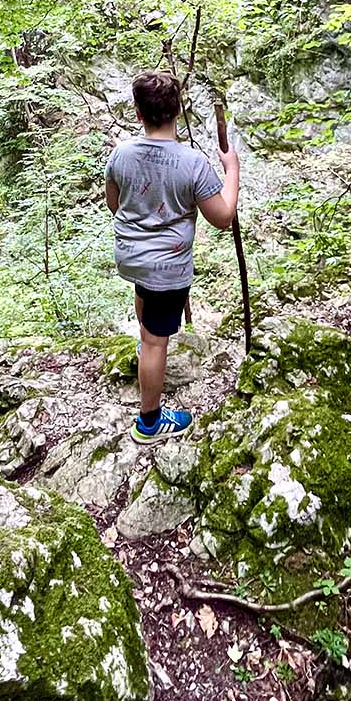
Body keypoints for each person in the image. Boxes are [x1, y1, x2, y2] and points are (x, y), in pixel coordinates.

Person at [105, 71, 240, 442]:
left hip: (131, 257)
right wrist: (232, 171)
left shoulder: (121, 154)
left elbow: (115, 204)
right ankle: (149, 423)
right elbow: (222, 217)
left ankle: (146, 340)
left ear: (139, 113)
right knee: (155, 342)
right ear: (177, 110)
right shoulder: (192, 163)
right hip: (167, 266)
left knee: (145, 301)